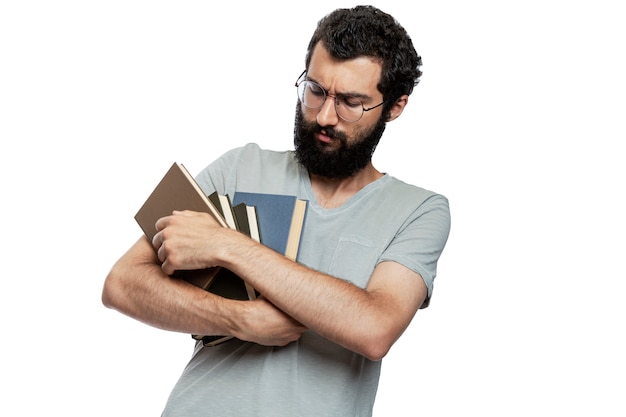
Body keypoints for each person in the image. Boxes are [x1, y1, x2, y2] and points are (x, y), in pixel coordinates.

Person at [102, 5, 451, 417]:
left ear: (394, 107)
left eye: (351, 103)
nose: (324, 116)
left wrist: (227, 246)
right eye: (316, 90)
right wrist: (238, 319)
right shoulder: (239, 167)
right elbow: (121, 285)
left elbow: (375, 329)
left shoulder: (420, 210)